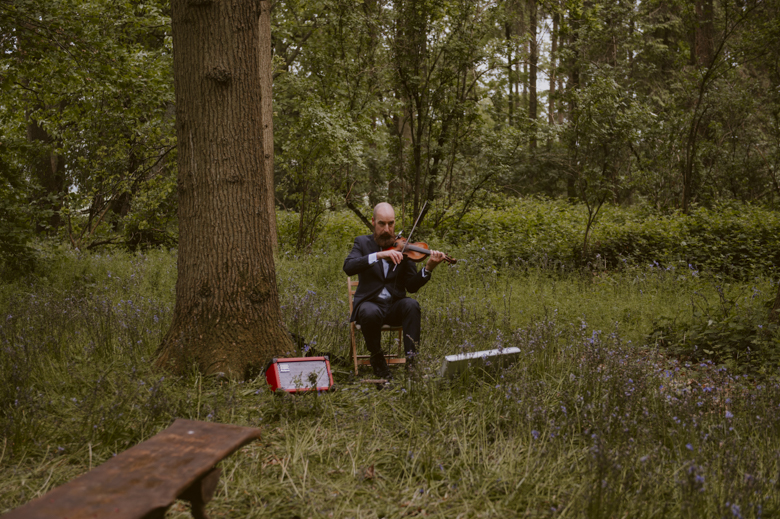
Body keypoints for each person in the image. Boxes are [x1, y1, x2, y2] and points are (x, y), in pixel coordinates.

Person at [343, 202, 445, 380]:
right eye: (382, 224)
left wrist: (428, 268)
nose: (387, 229)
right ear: (373, 222)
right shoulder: (362, 243)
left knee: (411, 305)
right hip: (370, 305)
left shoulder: (404, 247)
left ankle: (412, 365)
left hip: (393, 307)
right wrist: (379, 255)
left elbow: (411, 287)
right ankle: (378, 360)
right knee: (369, 311)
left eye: (391, 224)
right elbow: (348, 267)